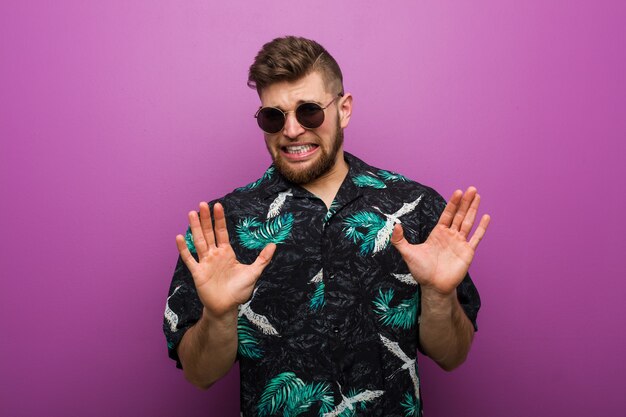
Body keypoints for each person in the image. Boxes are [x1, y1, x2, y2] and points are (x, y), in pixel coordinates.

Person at [163, 36, 490, 417]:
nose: (291, 130)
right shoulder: (222, 226)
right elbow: (199, 375)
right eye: (273, 116)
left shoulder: (416, 209)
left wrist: (437, 294)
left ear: (344, 109)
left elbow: (452, 356)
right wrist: (217, 316)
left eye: (309, 112)